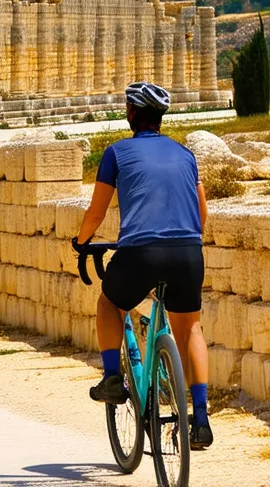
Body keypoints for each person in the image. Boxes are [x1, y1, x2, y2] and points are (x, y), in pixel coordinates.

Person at [73, 82, 213, 451]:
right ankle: (200, 418)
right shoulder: (186, 155)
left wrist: (82, 241)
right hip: (187, 251)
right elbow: (202, 214)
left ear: (131, 113)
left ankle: (113, 378)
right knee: (191, 328)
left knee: (110, 303)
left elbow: (97, 211)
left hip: (140, 253)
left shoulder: (117, 153)